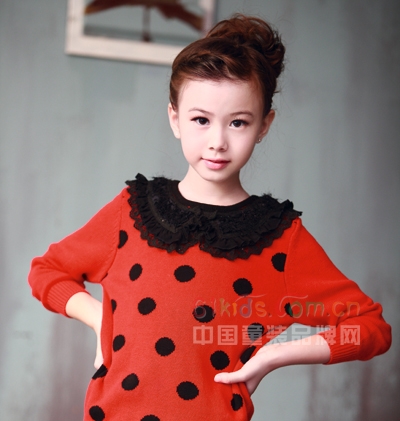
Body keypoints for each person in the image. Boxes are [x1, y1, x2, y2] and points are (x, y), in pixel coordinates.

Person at [28, 14, 391, 421]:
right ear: (175, 118)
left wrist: (274, 355)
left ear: (264, 125)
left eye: (238, 122)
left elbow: (370, 328)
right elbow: (47, 271)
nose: (218, 141)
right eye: (201, 120)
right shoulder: (132, 211)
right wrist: (100, 319)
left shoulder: (279, 238)